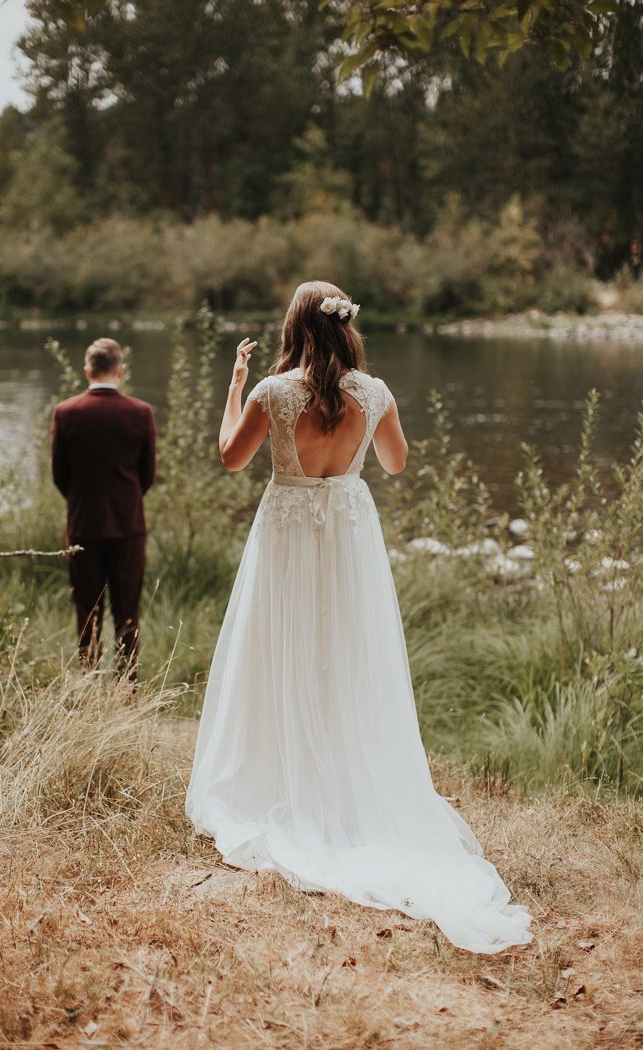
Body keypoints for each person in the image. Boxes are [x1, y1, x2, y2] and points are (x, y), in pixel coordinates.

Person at [185, 281, 533, 954]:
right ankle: (343, 785)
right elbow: (397, 465)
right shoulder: (375, 393)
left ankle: (283, 781)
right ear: (347, 328)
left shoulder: (271, 392)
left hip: (285, 528)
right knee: (344, 654)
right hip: (346, 531)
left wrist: (233, 386)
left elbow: (231, 457)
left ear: (294, 325)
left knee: (276, 650)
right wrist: (367, 433)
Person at [51, 338, 156, 679]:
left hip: (83, 525)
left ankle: (89, 686)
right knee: (127, 613)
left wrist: (82, 501)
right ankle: (127, 691)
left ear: (87, 371)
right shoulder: (141, 413)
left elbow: (60, 475)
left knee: (87, 611)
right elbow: (147, 475)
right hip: (128, 526)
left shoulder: (66, 412)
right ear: (120, 371)